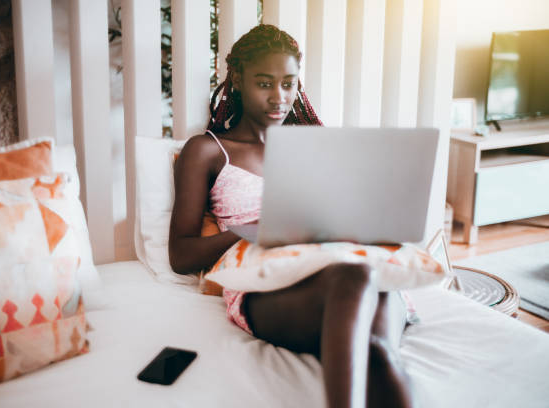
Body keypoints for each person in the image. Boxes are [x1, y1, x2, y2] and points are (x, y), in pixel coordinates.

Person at [168, 24, 414, 408]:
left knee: (379, 352)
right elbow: (180, 255)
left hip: (343, 260)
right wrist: (257, 227)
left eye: (288, 83)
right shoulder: (207, 150)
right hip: (269, 282)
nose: (278, 97)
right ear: (237, 81)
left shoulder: (317, 146)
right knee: (356, 276)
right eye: (264, 83)